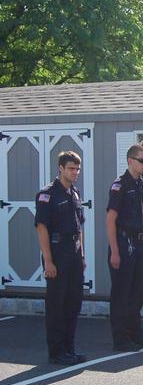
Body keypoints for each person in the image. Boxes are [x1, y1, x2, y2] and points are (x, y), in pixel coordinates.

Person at [35, 151, 86, 365]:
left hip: (74, 251)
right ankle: (56, 352)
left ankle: (69, 348)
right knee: (57, 304)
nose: (75, 173)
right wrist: (48, 261)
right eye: (71, 169)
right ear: (61, 169)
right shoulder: (48, 194)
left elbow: (79, 226)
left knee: (73, 303)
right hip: (57, 251)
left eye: (77, 169)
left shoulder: (74, 192)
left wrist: (82, 254)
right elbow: (42, 228)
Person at [106, 144, 143, 352]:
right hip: (123, 242)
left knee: (137, 293)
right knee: (121, 293)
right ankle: (121, 338)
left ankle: (136, 334)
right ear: (130, 161)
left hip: (140, 242)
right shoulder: (120, 185)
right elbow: (110, 219)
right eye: (142, 161)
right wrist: (115, 251)